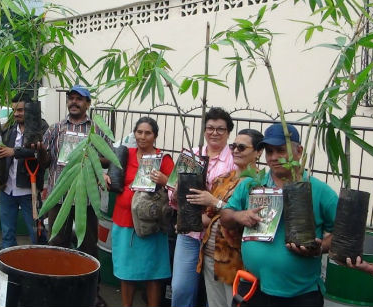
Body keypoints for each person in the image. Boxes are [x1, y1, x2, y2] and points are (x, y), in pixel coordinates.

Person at [221, 123, 338, 306]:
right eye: (269, 151)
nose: (274, 158)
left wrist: (321, 246)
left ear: (299, 151)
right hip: (252, 287)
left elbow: (341, 234)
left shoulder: (320, 191)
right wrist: (239, 216)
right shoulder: (252, 184)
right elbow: (225, 216)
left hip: (300, 294)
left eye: (280, 150)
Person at [36, 84, 108, 307]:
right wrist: (40, 151)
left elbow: (108, 157)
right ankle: (57, 292)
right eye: (71, 98)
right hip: (60, 197)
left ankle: (90, 294)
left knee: (88, 247)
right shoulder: (56, 129)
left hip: (86, 198)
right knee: (57, 243)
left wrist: (89, 154)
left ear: (88, 104)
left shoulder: (96, 130)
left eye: (80, 99)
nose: (74, 102)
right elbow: (45, 162)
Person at [186, 129, 264, 307]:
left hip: (236, 258)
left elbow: (253, 221)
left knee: (234, 303)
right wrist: (186, 223)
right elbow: (209, 217)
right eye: (233, 146)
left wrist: (215, 202)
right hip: (211, 253)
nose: (235, 151)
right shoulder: (223, 179)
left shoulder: (259, 182)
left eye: (242, 147)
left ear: (258, 152)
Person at [170, 106, 236, 307]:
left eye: (220, 129)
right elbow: (172, 196)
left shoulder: (234, 160)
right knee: (181, 288)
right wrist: (176, 190)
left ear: (228, 132)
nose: (214, 133)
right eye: (210, 128)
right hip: (189, 232)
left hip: (217, 236)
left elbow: (232, 201)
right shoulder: (192, 154)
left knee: (214, 295)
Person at [107, 117, 174, 307]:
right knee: (126, 272)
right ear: (134, 133)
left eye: (148, 133)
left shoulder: (164, 159)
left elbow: (177, 187)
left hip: (151, 224)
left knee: (153, 273)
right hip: (124, 221)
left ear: (155, 136)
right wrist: (106, 176)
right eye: (139, 132)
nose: (142, 137)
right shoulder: (125, 154)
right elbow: (112, 175)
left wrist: (164, 180)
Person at [0, 92, 48, 248]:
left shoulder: (40, 127)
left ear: (30, 109)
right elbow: (2, 155)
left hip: (28, 190)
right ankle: (10, 269)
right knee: (7, 233)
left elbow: (40, 152)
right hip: (7, 189)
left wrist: (14, 151)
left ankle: (38, 265)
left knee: (36, 233)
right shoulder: (10, 130)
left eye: (21, 110)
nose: (16, 114)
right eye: (15, 110)